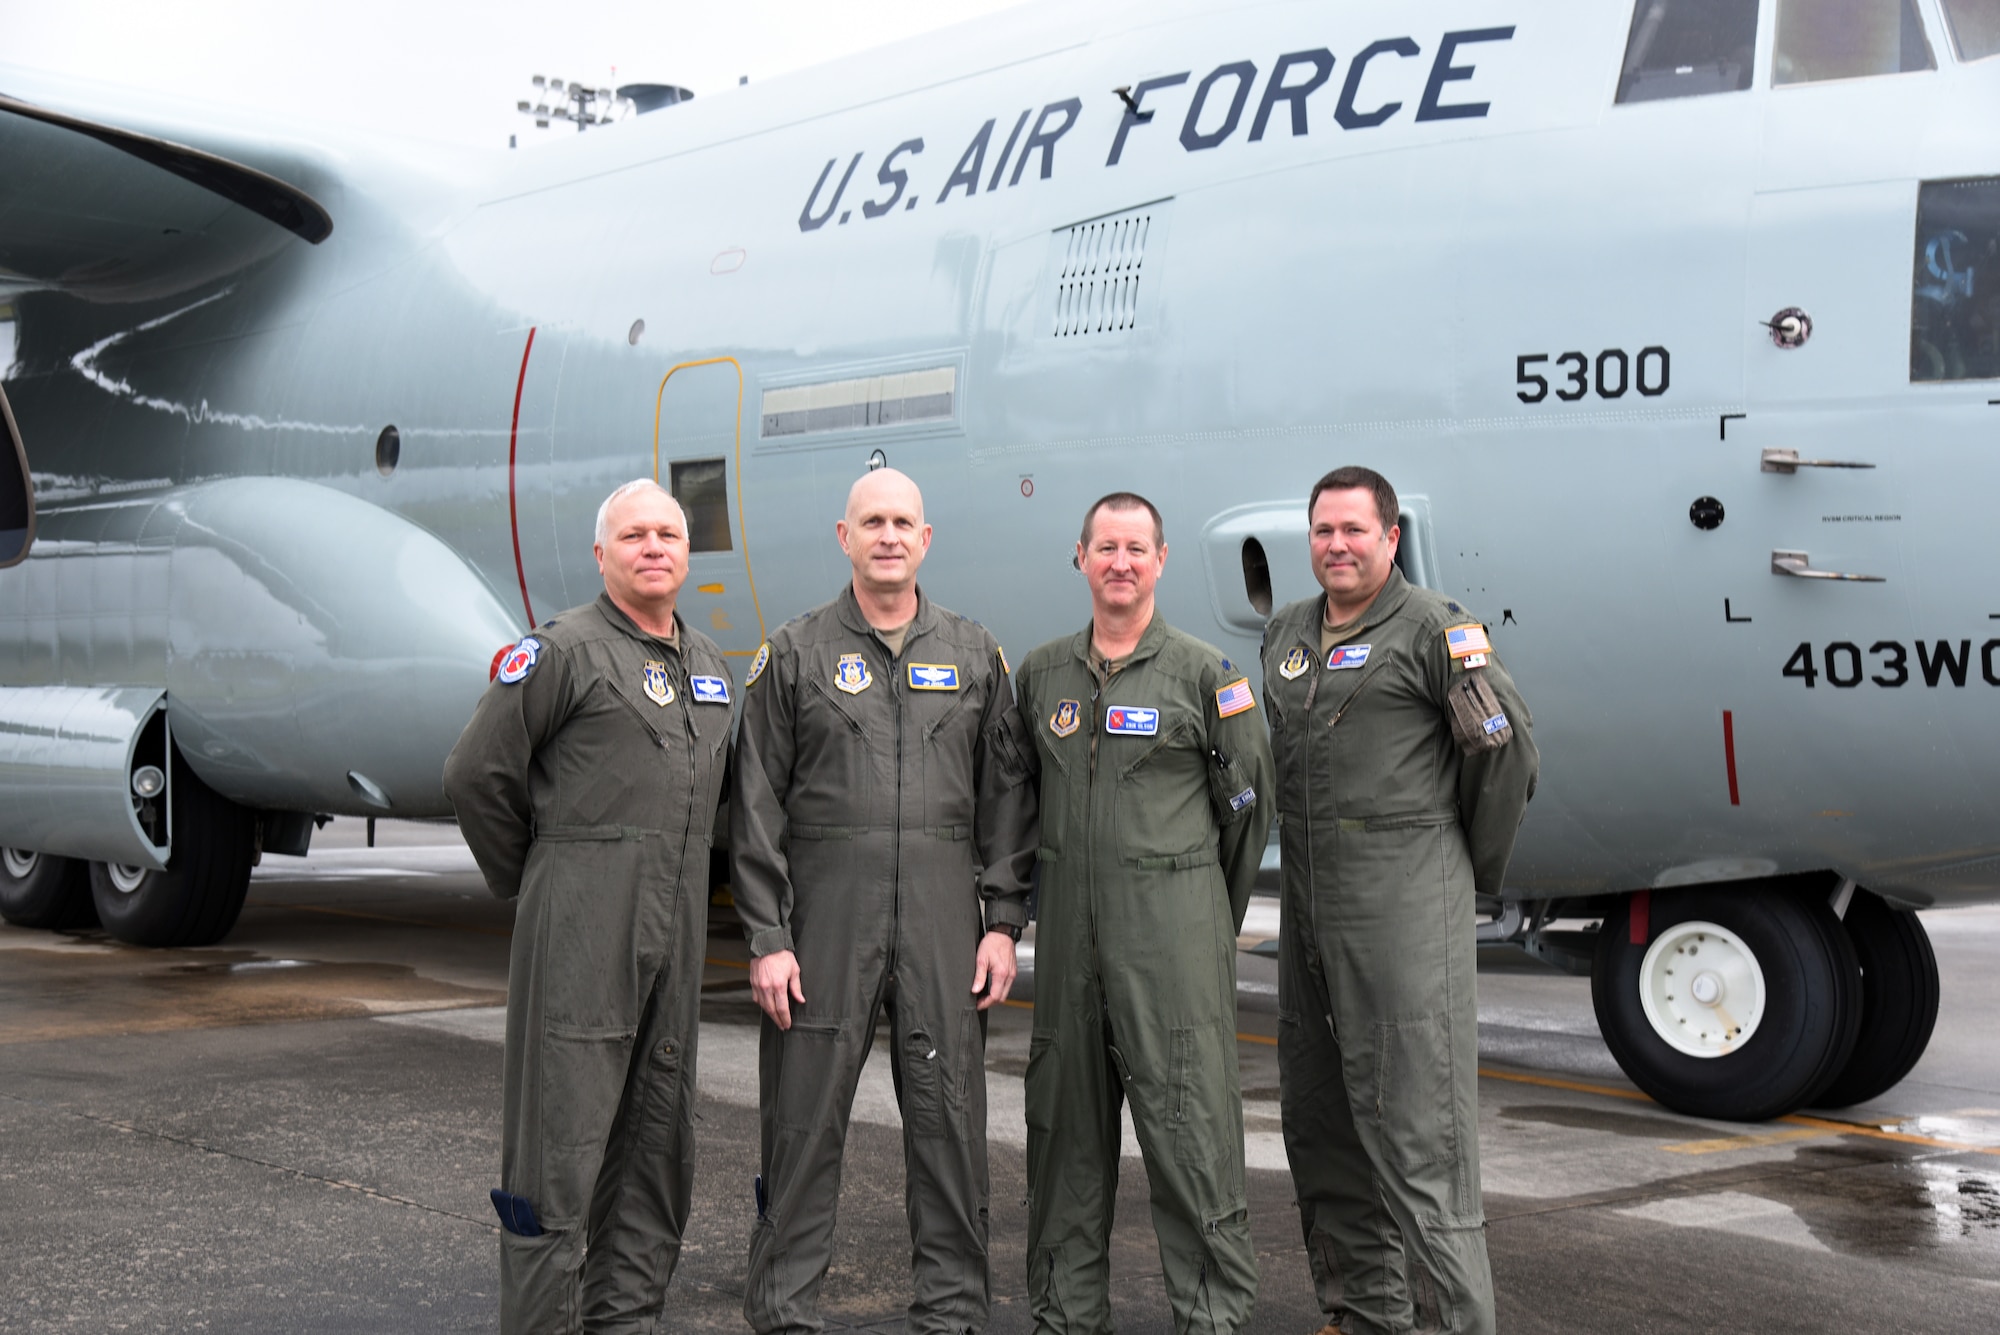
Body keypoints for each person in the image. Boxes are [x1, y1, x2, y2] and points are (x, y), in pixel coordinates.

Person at [730, 466, 1038, 1335]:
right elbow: (755, 804)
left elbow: (1007, 800)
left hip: (945, 919)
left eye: (905, 520)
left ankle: (951, 1312)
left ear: (926, 538)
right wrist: (767, 934)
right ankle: (784, 1309)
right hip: (825, 919)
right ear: (845, 536)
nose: (890, 535)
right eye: (873, 521)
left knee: (949, 1125)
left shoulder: (974, 654)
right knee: (802, 1123)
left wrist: (1003, 923)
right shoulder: (793, 655)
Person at [443, 479, 736, 1334]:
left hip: (675, 934)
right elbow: (475, 773)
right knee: (558, 1154)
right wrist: (540, 874)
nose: (654, 546)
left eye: (669, 533)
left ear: (688, 553)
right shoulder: (561, 651)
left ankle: (625, 1319)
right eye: (634, 534)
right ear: (602, 553)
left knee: (656, 1146)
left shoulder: (713, 670)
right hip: (579, 929)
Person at [1261, 466, 1538, 1335]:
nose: (1336, 545)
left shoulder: (1436, 631)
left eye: (1353, 530)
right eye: (1322, 531)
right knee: (1319, 1123)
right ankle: (1362, 1314)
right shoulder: (1288, 634)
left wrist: (1455, 866)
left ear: (1390, 537)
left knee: (1419, 1142)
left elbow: (1504, 752)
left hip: (1402, 911)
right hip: (1308, 909)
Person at [1011, 491, 1275, 1335]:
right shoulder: (1041, 674)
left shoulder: (1207, 676)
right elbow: (1017, 805)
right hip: (1067, 962)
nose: (1120, 561)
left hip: (1174, 956)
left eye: (1136, 547)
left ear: (1160, 560)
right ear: (1080, 557)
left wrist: (1192, 915)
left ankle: (1212, 1320)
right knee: (1063, 1149)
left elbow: (1247, 811)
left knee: (1193, 1149)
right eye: (1105, 546)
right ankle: (1065, 1318)